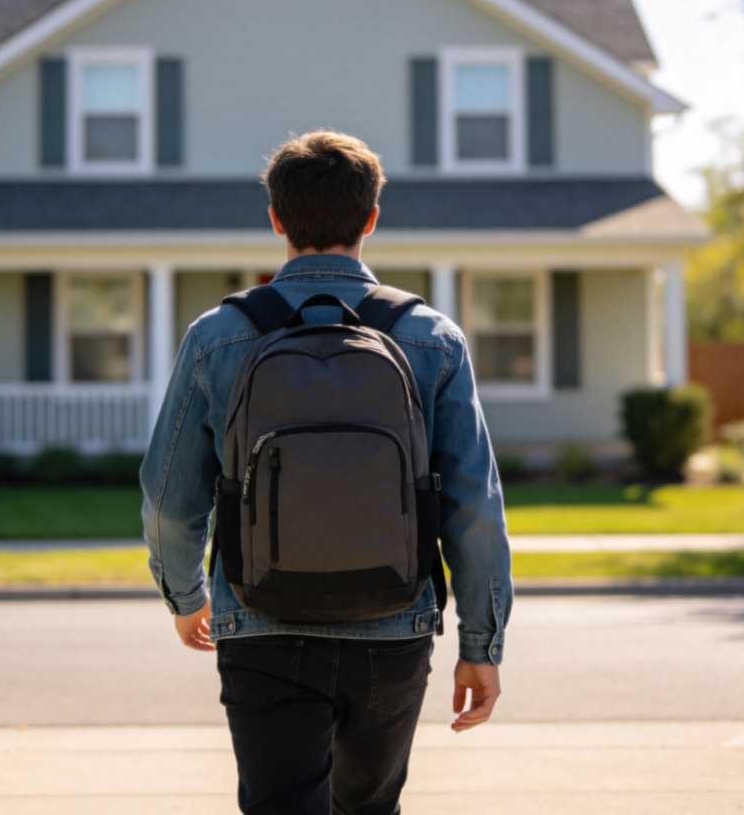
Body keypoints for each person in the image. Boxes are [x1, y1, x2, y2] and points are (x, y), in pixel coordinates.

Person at [141, 130, 513, 815]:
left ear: (277, 219)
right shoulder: (432, 338)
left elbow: (169, 497)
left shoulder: (216, 337)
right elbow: (474, 506)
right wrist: (480, 644)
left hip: (260, 619)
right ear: (372, 217)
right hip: (393, 621)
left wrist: (185, 596)